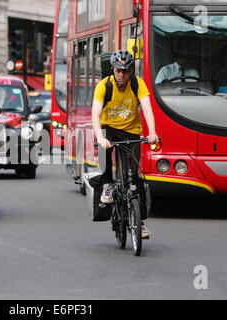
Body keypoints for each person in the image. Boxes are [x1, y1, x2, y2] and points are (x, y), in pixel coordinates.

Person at [92, 50, 159, 239]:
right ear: (112, 69)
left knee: (134, 175)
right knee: (105, 153)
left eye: (126, 71)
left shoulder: (138, 84)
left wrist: (152, 132)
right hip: (108, 127)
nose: (122, 75)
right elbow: (95, 114)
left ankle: (140, 223)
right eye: (119, 70)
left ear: (131, 71)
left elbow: (147, 108)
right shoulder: (104, 86)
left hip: (130, 129)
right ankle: (107, 186)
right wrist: (100, 137)